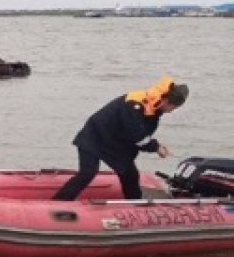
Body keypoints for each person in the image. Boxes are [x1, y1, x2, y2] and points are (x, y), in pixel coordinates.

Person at [53, 77, 189, 201]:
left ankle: (135, 204)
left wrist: (155, 145)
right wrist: (156, 148)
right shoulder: (135, 104)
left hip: (115, 142)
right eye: (173, 107)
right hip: (95, 136)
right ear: (166, 101)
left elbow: (141, 134)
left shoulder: (154, 108)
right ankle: (59, 202)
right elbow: (136, 135)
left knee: (130, 175)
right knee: (87, 173)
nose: (172, 111)